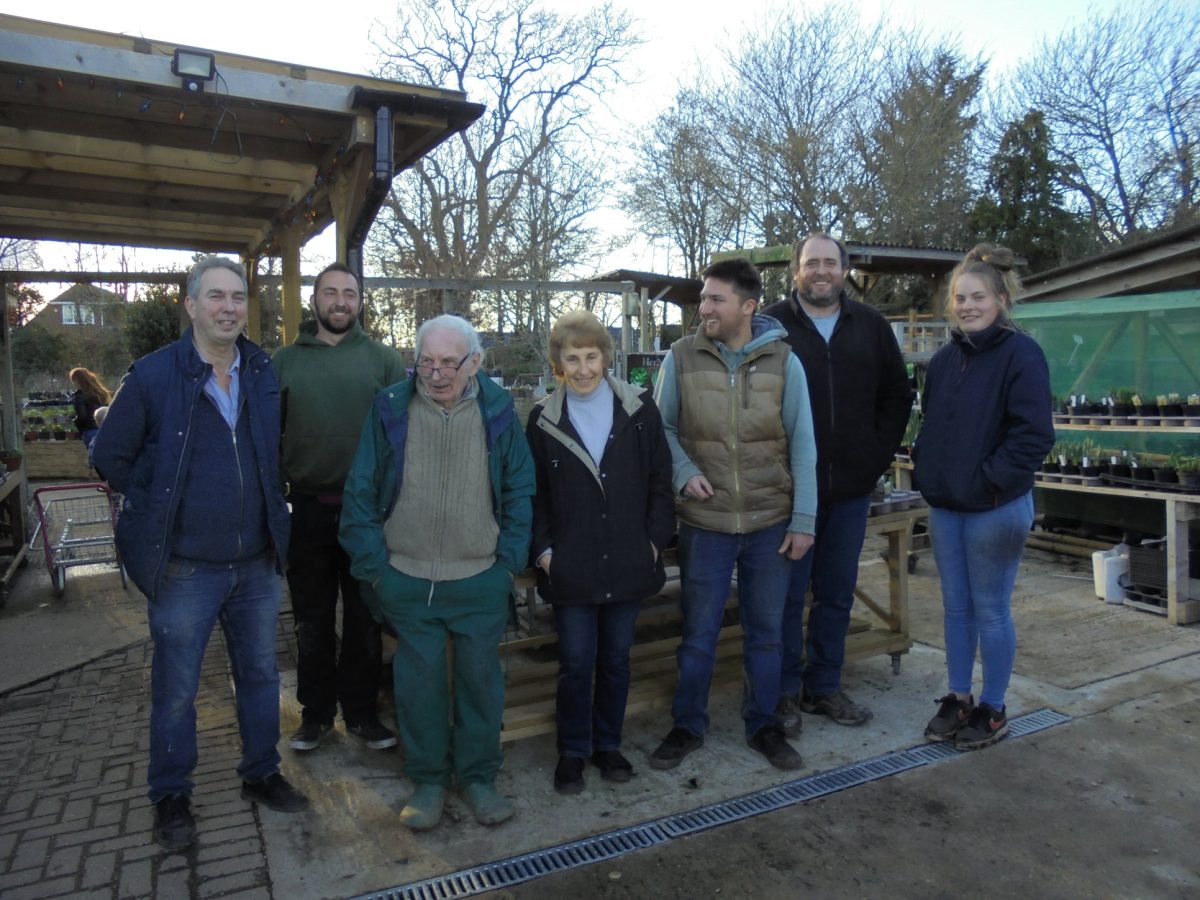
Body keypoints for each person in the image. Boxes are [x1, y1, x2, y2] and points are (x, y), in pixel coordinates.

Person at [93, 256, 307, 853]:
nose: (229, 307)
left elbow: (272, 454)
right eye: (215, 296)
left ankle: (261, 773)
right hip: (185, 567)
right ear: (190, 305)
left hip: (256, 564)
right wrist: (160, 496)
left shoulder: (263, 370)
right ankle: (170, 795)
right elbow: (109, 457)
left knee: (261, 676)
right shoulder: (155, 375)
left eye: (238, 297)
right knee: (178, 688)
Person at [339, 314, 534, 830]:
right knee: (418, 687)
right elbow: (359, 493)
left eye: (450, 362)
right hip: (406, 576)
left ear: (474, 362)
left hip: (479, 578)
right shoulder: (389, 409)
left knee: (479, 685)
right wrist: (377, 572)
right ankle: (427, 780)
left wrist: (507, 563)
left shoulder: (498, 410)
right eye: (426, 361)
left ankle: (477, 778)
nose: (437, 373)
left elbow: (520, 488)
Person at [649, 258, 817, 772]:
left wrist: (804, 519)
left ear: (748, 306)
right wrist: (682, 473)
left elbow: (804, 444)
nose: (705, 308)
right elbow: (661, 431)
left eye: (716, 299)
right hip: (706, 524)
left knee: (766, 633)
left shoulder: (785, 362)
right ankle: (687, 725)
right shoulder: (680, 358)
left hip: (770, 523)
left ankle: (763, 724)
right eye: (703, 298)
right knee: (698, 635)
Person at [762, 233, 912, 732]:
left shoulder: (870, 326)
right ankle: (783, 690)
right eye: (812, 263)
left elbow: (897, 395)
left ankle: (823, 687)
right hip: (786, 492)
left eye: (830, 262)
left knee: (836, 592)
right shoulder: (772, 326)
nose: (821, 271)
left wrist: (873, 458)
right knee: (785, 595)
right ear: (796, 271)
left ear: (843, 270)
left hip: (849, 490)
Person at [525, 310, 674, 795]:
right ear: (558, 364)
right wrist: (545, 552)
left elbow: (659, 481)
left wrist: (653, 541)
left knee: (615, 658)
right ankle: (573, 750)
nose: (584, 367)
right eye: (573, 358)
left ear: (606, 358)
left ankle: (608, 744)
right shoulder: (543, 421)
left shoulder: (638, 412)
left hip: (629, 558)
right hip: (572, 566)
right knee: (575, 660)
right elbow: (534, 495)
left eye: (592, 356)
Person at [914, 244, 1054, 750]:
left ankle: (993, 707)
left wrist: (987, 480)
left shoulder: (1022, 354)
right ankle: (958, 697)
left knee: (990, 608)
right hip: (947, 505)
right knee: (955, 607)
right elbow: (933, 423)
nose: (968, 305)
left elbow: (1033, 435)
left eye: (978, 296)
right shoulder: (947, 359)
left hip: (994, 508)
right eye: (960, 297)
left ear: (1000, 298)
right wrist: (931, 471)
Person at [273, 263, 407, 754]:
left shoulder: (384, 361)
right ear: (314, 301)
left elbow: (401, 440)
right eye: (330, 292)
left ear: (359, 302)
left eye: (349, 293)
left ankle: (363, 713)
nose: (340, 301)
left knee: (364, 618)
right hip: (307, 510)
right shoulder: (284, 362)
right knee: (310, 619)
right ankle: (315, 715)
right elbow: (268, 436)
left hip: (369, 514)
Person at [68, 366, 111, 450]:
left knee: (94, 456)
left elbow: (82, 416)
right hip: (104, 428)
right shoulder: (100, 392)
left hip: (89, 429)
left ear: (76, 380)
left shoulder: (79, 396)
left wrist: (74, 421)